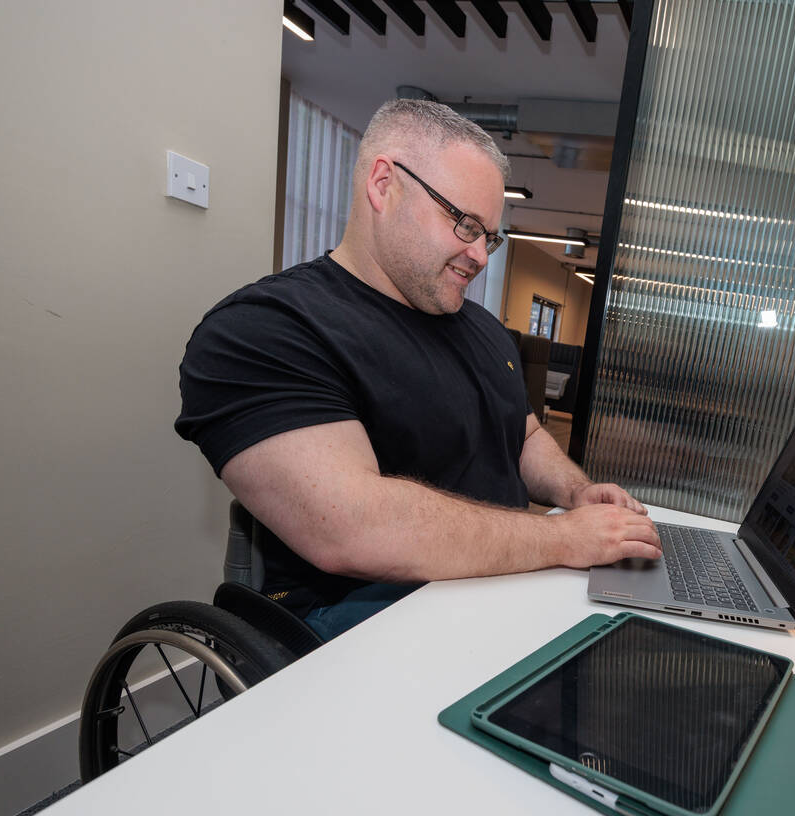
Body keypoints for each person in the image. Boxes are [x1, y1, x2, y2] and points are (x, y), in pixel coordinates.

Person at [175, 99, 661, 641]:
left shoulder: (480, 328)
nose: (480, 255)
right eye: (464, 224)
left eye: (490, 236)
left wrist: (576, 493)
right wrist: (564, 539)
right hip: (356, 618)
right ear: (384, 185)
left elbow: (520, 435)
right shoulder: (264, 329)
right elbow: (351, 527)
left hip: (494, 583)